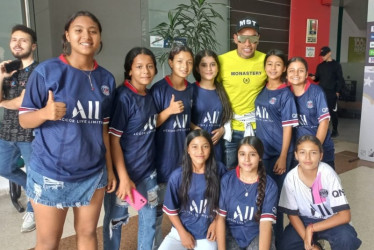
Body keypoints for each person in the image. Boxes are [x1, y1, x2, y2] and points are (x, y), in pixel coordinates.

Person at [18, 11, 116, 249]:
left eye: (93, 31)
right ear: (68, 36)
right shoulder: (46, 71)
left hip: (93, 174)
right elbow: (24, 120)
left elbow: (104, 130)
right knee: (49, 242)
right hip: (51, 172)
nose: (86, 35)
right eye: (79, 30)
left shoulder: (106, 79)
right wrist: (44, 113)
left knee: (88, 234)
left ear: (100, 37)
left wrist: (109, 170)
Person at [103, 47, 159, 250]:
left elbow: (150, 124)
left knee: (149, 218)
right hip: (122, 174)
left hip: (147, 172)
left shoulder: (150, 95)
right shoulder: (123, 97)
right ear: (129, 70)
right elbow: (113, 140)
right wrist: (122, 178)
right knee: (116, 220)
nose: (145, 71)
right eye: (139, 67)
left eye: (150, 66)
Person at [278, 135, 361, 250]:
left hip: (330, 219)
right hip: (304, 220)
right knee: (285, 245)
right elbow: (292, 215)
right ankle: (318, 244)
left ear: (320, 155)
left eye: (313, 153)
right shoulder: (291, 178)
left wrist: (312, 228)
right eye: (302, 152)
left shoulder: (328, 174)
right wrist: (310, 244)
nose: (307, 157)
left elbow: (345, 216)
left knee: (346, 239)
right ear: (296, 155)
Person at [151, 44, 194, 249]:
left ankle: (181, 240)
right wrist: (168, 111)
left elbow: (188, 122)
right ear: (170, 63)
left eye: (188, 62)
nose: (184, 66)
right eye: (179, 61)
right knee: (157, 212)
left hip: (184, 161)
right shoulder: (159, 89)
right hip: (162, 162)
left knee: (184, 207)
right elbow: (150, 124)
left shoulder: (191, 90)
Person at [254, 49, 299, 244]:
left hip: (278, 154)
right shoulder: (262, 89)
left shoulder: (285, 95)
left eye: (278, 64)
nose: (273, 68)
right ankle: (264, 240)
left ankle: (279, 243)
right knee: (263, 197)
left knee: (276, 201)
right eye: (269, 64)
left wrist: (283, 156)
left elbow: (288, 128)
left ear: (284, 68)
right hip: (262, 154)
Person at [159, 129, 227, 250]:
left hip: (206, 233)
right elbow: (171, 210)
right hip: (180, 231)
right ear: (188, 150)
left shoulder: (220, 170)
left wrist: (216, 222)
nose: (200, 151)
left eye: (205, 146)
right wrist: (182, 234)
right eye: (194, 147)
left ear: (211, 148)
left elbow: (226, 201)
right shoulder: (177, 176)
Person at [0, 24, 38, 232]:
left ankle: (33, 210)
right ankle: (32, 191)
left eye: (23, 40)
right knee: (3, 168)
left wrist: (4, 102)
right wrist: (1, 77)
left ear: (33, 46)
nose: (17, 43)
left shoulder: (38, 71)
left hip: (29, 134)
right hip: (6, 132)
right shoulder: (8, 70)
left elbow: (24, 103)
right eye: (14, 39)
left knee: (34, 173)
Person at [218, 17, 267, 169]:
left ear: (258, 39)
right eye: (243, 38)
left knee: (255, 170)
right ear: (235, 38)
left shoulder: (266, 61)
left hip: (256, 128)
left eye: (252, 38)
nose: (247, 44)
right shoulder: (222, 61)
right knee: (228, 171)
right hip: (230, 129)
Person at [216, 136, 278, 250]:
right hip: (231, 234)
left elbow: (265, 225)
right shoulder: (227, 180)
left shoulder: (270, 185)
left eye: (252, 154)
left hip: (256, 234)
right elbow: (220, 218)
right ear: (237, 156)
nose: (247, 159)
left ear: (260, 157)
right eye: (242, 154)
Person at [288, 57, 335, 169]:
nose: (296, 74)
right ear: (286, 74)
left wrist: (314, 150)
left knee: (324, 184)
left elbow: (324, 122)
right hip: (298, 151)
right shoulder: (285, 93)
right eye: (291, 70)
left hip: (319, 148)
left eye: (300, 70)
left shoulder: (316, 92)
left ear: (306, 74)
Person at [191, 49, 232, 163]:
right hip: (197, 148)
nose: (209, 69)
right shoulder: (191, 90)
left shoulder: (222, 90)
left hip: (217, 147)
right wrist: (195, 128)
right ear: (197, 69)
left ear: (218, 67)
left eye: (212, 65)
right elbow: (183, 117)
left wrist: (223, 129)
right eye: (204, 65)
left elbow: (226, 115)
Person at [311, 46, 345, 138]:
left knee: (332, 111)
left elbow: (340, 79)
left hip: (332, 92)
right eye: (322, 55)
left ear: (329, 53)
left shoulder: (336, 65)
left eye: (324, 54)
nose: (323, 56)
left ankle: (335, 130)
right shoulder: (320, 66)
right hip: (321, 92)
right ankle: (321, 129)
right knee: (319, 111)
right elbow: (317, 78)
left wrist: (338, 91)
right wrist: (313, 77)